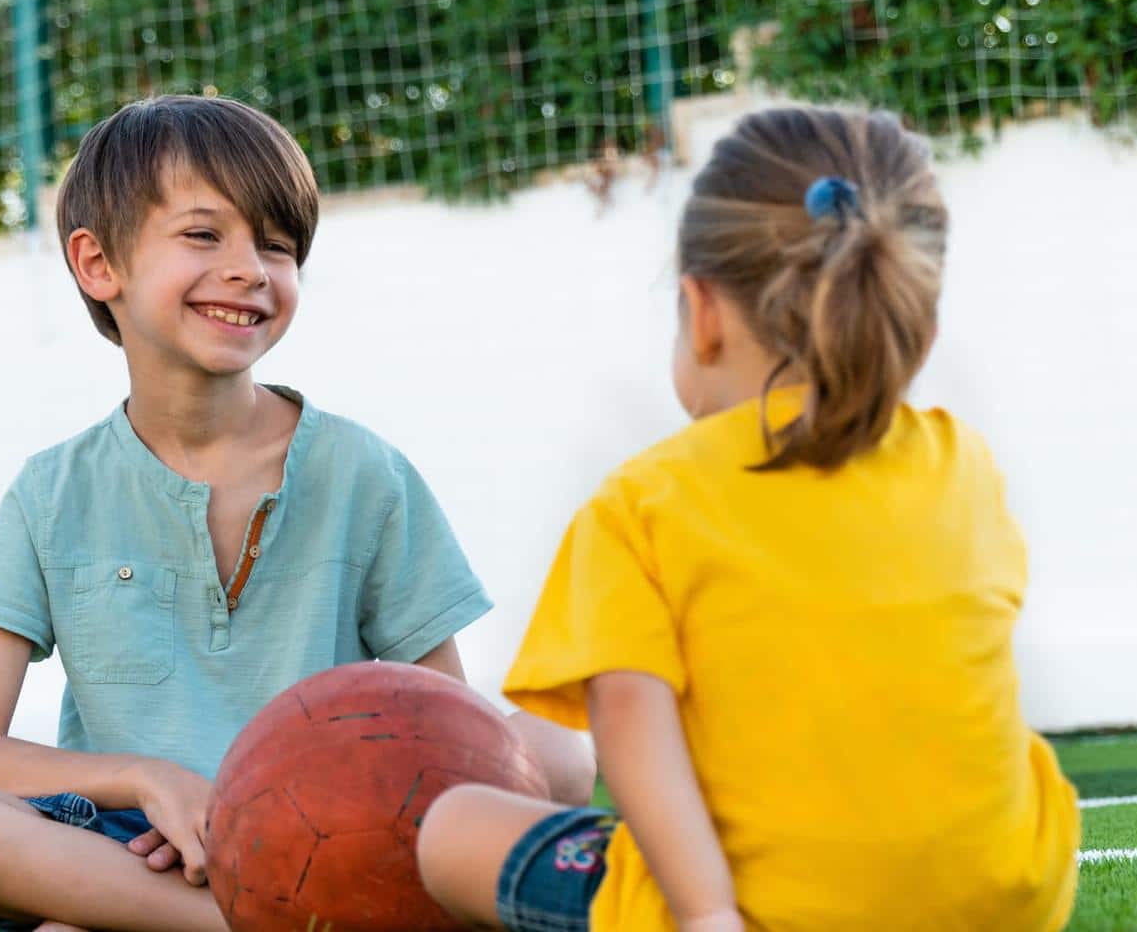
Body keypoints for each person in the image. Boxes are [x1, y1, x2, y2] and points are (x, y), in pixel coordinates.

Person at [0, 94, 593, 932]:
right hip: (128, 838)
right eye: (205, 235)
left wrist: (332, 820)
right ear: (99, 265)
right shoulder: (49, 491)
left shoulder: (366, 472)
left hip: (335, 827)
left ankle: (165, 915)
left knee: (558, 755)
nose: (250, 269)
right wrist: (146, 779)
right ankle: (232, 919)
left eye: (276, 246)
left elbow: (438, 722)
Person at [416, 106, 1081, 932]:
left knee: (451, 829)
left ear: (702, 311)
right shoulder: (964, 464)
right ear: (915, 320)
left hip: (771, 911)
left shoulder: (644, 500)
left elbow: (627, 719)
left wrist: (707, 914)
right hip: (1007, 898)